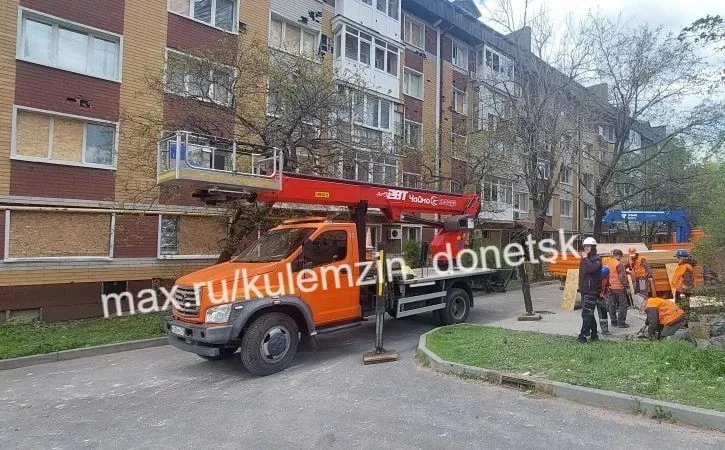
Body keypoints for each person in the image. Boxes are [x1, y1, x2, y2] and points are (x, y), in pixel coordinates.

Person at [578, 237, 603, 343]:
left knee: (586, 314)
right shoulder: (585, 259)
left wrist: (586, 259)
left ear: (593, 247)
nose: (586, 248)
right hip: (584, 290)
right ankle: (594, 334)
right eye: (585, 246)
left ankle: (583, 335)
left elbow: (591, 269)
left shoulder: (597, 260)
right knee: (589, 313)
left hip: (591, 291)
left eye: (588, 246)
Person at [605, 249, 630, 328]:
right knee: (623, 305)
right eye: (621, 257)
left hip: (610, 287)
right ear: (619, 255)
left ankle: (614, 322)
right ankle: (621, 323)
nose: (621, 258)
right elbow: (621, 276)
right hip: (619, 287)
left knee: (611, 305)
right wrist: (626, 286)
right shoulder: (619, 264)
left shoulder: (609, 263)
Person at [671, 249, 695, 322]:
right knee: (680, 306)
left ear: (682, 258)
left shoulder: (686, 267)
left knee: (683, 307)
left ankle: (684, 323)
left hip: (683, 291)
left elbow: (687, 279)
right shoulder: (683, 266)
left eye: (677, 258)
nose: (677, 259)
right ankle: (682, 322)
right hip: (680, 290)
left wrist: (684, 290)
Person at [598, 265, 611, 335]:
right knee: (590, 315)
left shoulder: (606, 275)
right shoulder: (595, 278)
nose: (604, 279)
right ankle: (592, 330)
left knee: (603, 314)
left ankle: (605, 330)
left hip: (602, 297)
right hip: (596, 296)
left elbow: (607, 284)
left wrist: (607, 288)